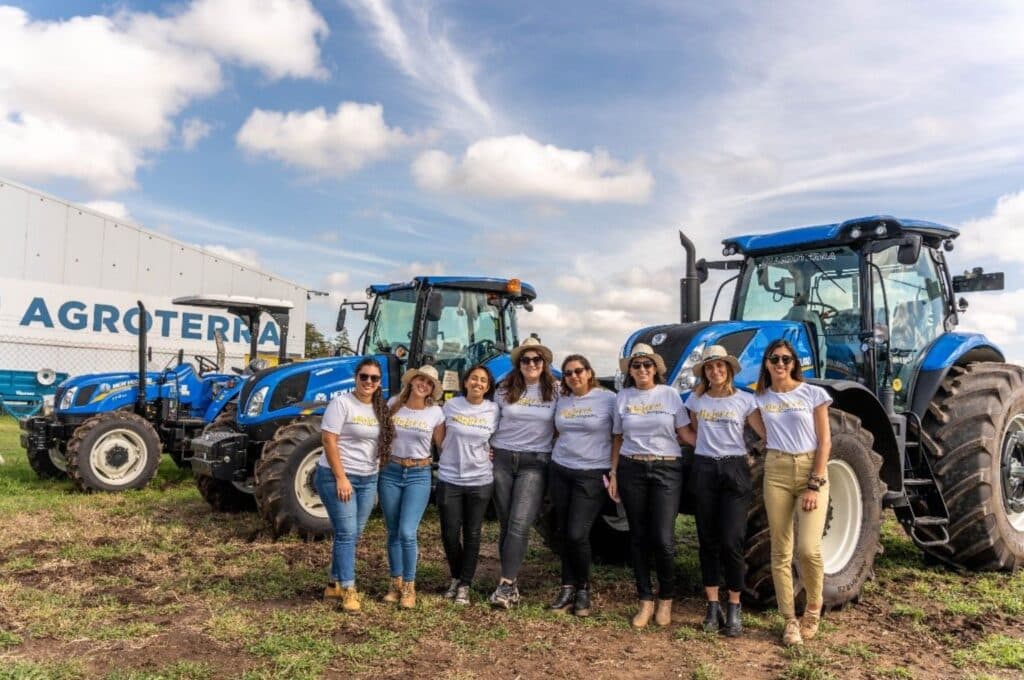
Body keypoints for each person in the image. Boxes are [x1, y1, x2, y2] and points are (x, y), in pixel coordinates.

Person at [608, 343, 695, 628]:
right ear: (630, 371)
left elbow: (684, 434)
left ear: (655, 368)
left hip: (666, 468)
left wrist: (722, 445)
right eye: (636, 365)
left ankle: (666, 600)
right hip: (632, 467)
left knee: (663, 538)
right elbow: (618, 438)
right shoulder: (623, 398)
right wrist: (615, 472)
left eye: (647, 365)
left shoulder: (670, 396)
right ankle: (645, 600)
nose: (642, 369)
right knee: (638, 537)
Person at [755, 338, 832, 646]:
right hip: (776, 470)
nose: (780, 364)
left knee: (808, 549)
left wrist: (814, 482)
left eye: (786, 359)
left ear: (794, 363)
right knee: (780, 550)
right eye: (775, 359)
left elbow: (825, 442)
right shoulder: (759, 397)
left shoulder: (813, 394)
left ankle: (813, 607)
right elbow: (750, 420)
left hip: (810, 470)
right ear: (766, 363)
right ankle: (789, 620)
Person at [685, 345, 765, 637]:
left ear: (729, 369)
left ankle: (734, 606)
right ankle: (711, 605)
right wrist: (708, 450)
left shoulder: (745, 401)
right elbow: (693, 432)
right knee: (707, 540)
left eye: (720, 366)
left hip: (735, 470)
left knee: (732, 540)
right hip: (705, 469)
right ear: (705, 373)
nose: (715, 371)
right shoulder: (698, 401)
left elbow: (762, 432)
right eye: (709, 367)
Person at [317, 357, 394, 613]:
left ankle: (333, 584)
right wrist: (341, 477)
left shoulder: (380, 407)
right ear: (356, 378)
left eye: (374, 378)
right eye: (364, 377)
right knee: (347, 533)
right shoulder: (341, 404)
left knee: (352, 533)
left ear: (380, 382)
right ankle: (349, 590)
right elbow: (329, 440)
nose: (369, 382)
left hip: (368, 477)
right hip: (339, 477)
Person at [488, 336, 558, 609]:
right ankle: (510, 582)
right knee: (506, 523)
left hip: (534, 462)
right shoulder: (505, 389)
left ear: (544, 363)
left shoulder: (556, 389)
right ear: (519, 363)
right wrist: (485, 448)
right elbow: (490, 421)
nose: (531, 364)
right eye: (526, 360)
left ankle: (505, 585)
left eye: (536, 359)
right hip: (503, 459)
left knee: (519, 523)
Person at [547, 354, 616, 617]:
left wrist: (614, 470)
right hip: (561, 469)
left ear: (589, 372)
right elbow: (553, 431)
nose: (573, 376)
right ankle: (567, 588)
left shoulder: (607, 399)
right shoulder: (562, 400)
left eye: (578, 371)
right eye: (568, 373)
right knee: (564, 531)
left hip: (592, 473)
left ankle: (583, 589)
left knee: (578, 533)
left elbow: (618, 436)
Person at [379, 365, 445, 609]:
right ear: (412, 380)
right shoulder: (393, 404)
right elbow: (379, 435)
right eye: (421, 379)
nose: (423, 384)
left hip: (419, 473)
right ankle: (395, 583)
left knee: (407, 531)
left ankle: (409, 585)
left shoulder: (435, 413)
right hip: (391, 471)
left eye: (429, 383)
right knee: (393, 530)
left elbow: (444, 445)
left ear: (431, 390)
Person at [436, 364, 500, 606]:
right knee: (450, 534)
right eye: (474, 378)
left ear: (488, 386)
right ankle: (455, 576)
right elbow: (440, 437)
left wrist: (490, 452)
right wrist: (448, 452)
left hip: (480, 480)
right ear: (465, 382)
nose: (478, 383)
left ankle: (465, 584)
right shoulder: (451, 406)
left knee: (472, 533)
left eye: (483, 380)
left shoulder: (493, 410)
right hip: (450, 478)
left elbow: (500, 437)